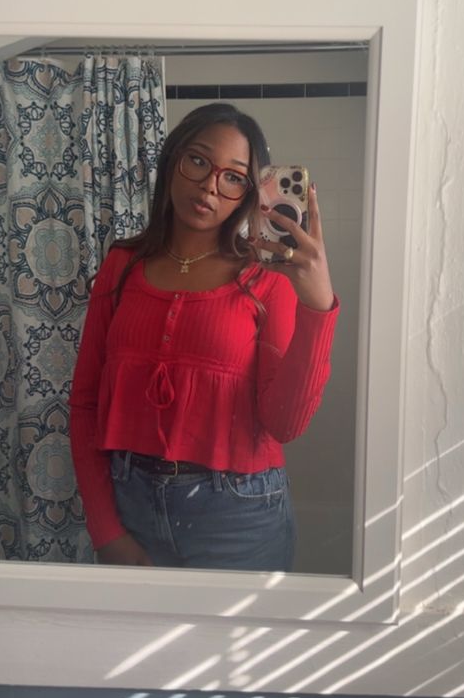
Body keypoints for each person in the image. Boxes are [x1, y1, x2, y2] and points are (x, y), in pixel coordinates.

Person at [69, 102, 339, 570]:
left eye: (234, 176)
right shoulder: (122, 265)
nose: (210, 185)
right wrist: (105, 530)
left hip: (240, 518)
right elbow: (85, 404)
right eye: (198, 160)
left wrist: (317, 305)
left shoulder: (266, 279)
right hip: (131, 506)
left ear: (250, 193)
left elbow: (285, 425)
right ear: (173, 160)